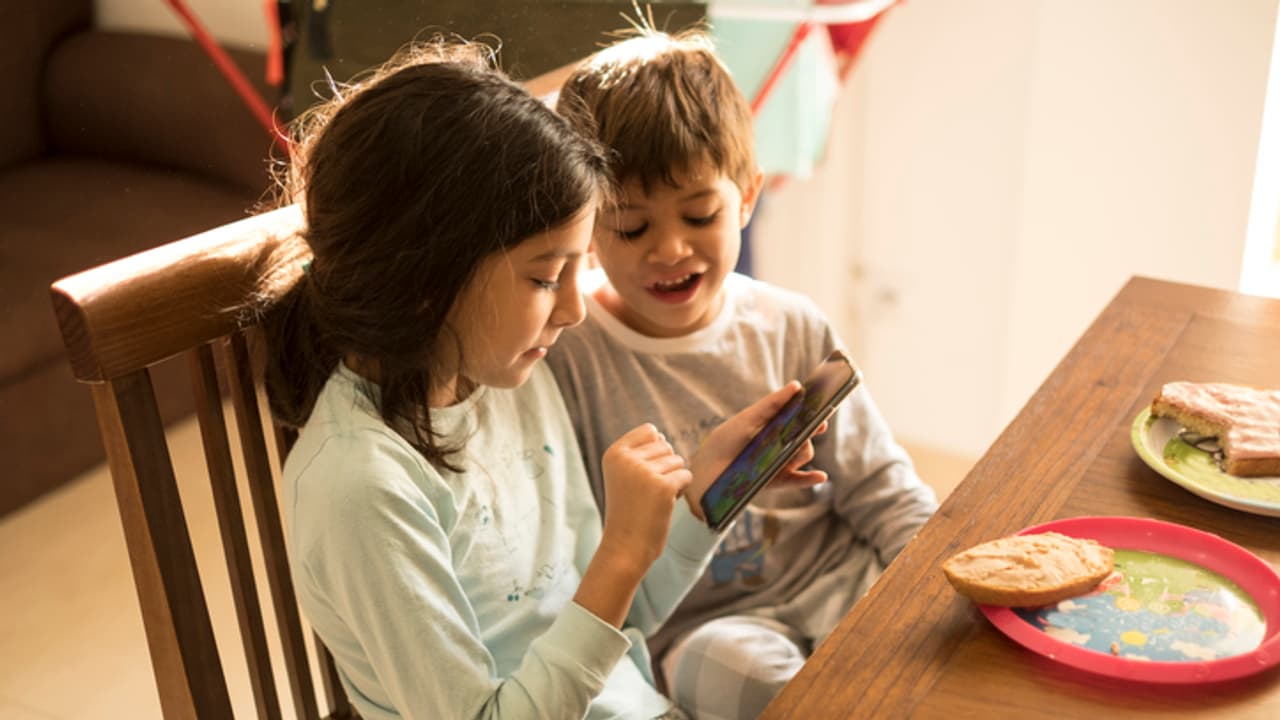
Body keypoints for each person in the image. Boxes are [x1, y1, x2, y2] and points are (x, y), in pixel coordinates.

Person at [253, 40, 826, 720]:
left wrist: (703, 501)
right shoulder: (360, 486)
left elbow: (614, 624)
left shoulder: (506, 380)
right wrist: (617, 558)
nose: (575, 307)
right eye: (545, 277)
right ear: (426, 278)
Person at [548, 29, 939, 719]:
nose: (669, 248)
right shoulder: (568, 355)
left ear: (748, 197)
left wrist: (936, 575)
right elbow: (580, 552)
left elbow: (880, 484)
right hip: (706, 629)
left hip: (843, 578)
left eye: (700, 215)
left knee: (930, 646)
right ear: (585, 228)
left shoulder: (792, 325)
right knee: (740, 678)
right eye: (631, 228)